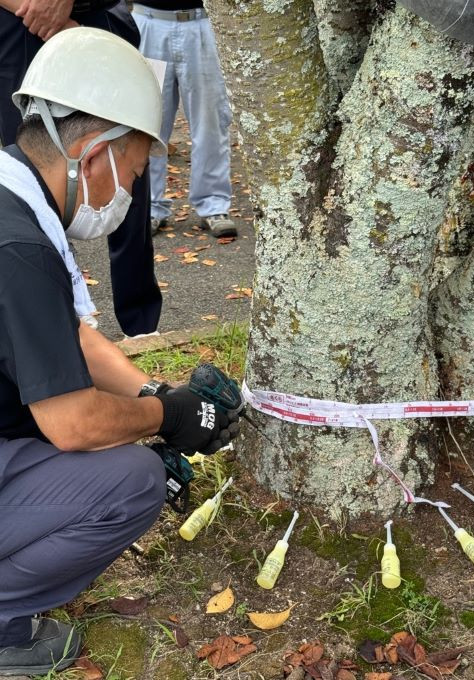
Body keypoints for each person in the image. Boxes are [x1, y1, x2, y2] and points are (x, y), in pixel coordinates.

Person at [0, 28, 239, 676]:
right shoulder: (17, 248)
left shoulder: (15, 202)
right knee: (131, 483)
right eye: (133, 169)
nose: (129, 190)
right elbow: (72, 421)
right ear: (94, 152)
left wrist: (155, 397)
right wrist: (170, 420)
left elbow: (74, 336)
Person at [0, 0, 163, 337]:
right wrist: (36, 9)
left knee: (127, 171)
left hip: (101, 17)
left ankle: (141, 325)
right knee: (38, 177)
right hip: (20, 24)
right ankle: (54, 321)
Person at [132, 0, 238, 238]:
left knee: (211, 122)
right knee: (145, 122)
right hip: (149, 22)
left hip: (205, 22)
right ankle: (148, 206)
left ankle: (214, 205)